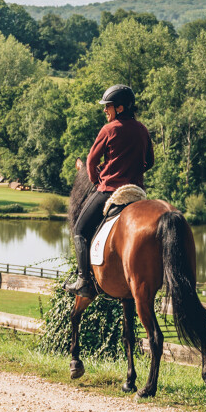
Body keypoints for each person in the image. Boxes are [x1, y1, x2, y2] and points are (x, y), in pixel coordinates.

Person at [63, 84, 154, 297]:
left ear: (120, 108)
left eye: (108, 106)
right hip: (137, 192)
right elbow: (149, 162)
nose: (105, 110)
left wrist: (98, 181)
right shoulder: (142, 129)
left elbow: (91, 162)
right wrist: (133, 170)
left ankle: (84, 281)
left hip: (110, 190)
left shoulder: (109, 129)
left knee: (80, 230)